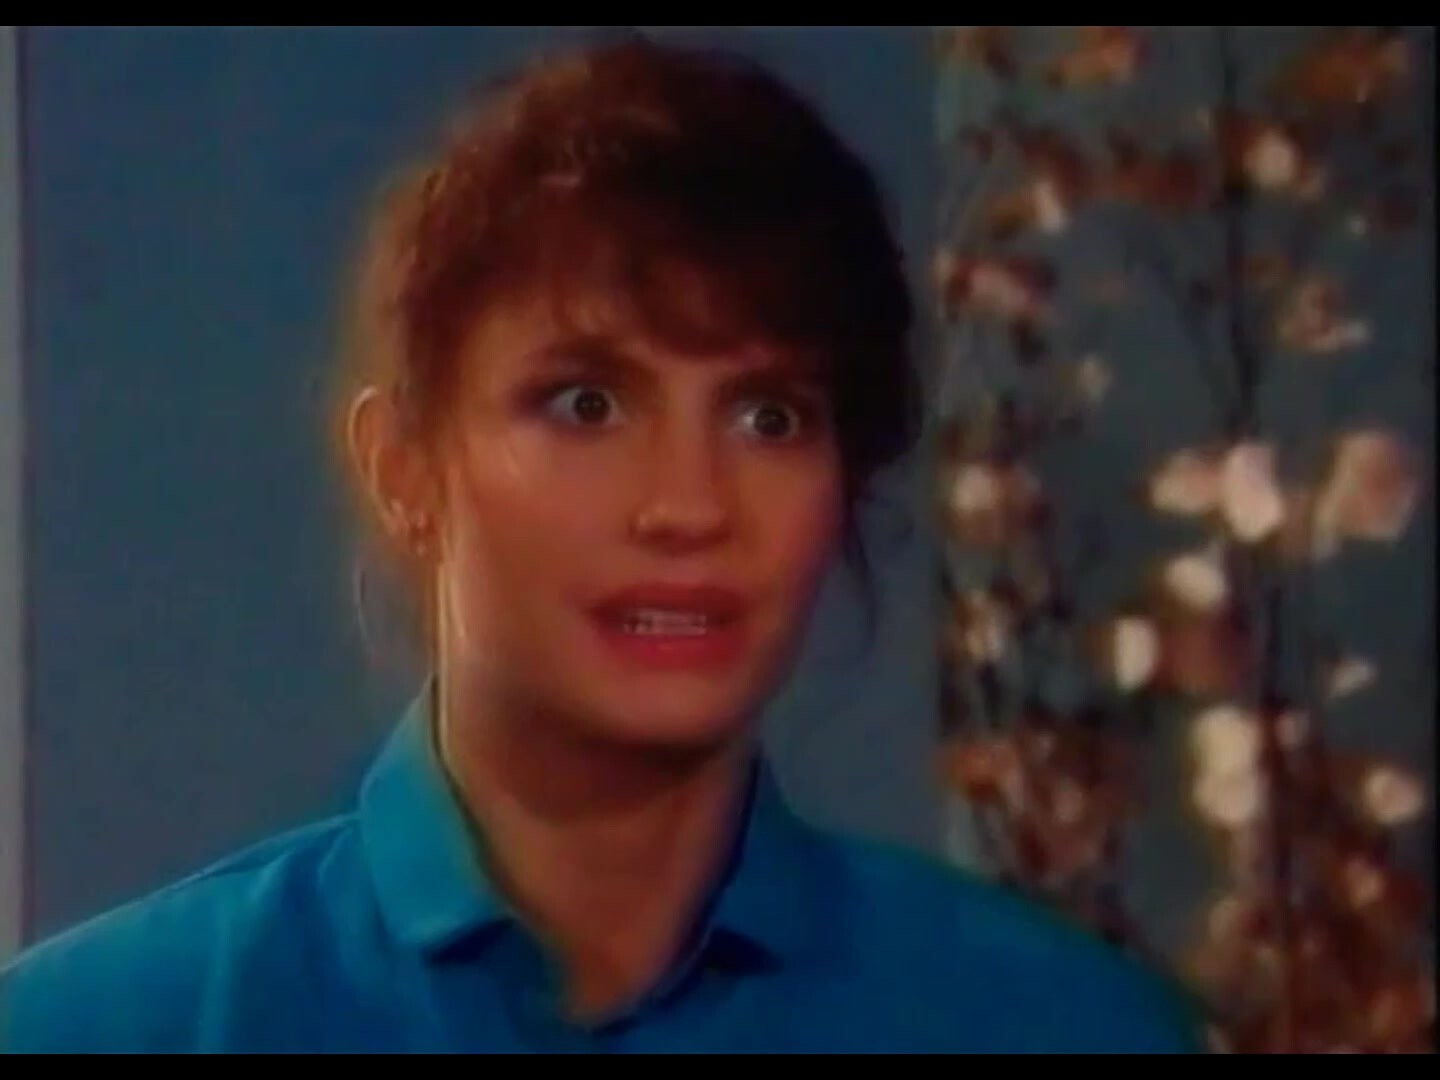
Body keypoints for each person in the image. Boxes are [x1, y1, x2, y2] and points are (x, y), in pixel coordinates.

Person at [1, 37, 1205, 1053]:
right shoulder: (99, 1028)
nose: (688, 506)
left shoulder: (1059, 1028)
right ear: (404, 466)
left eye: (768, 417)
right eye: (585, 404)